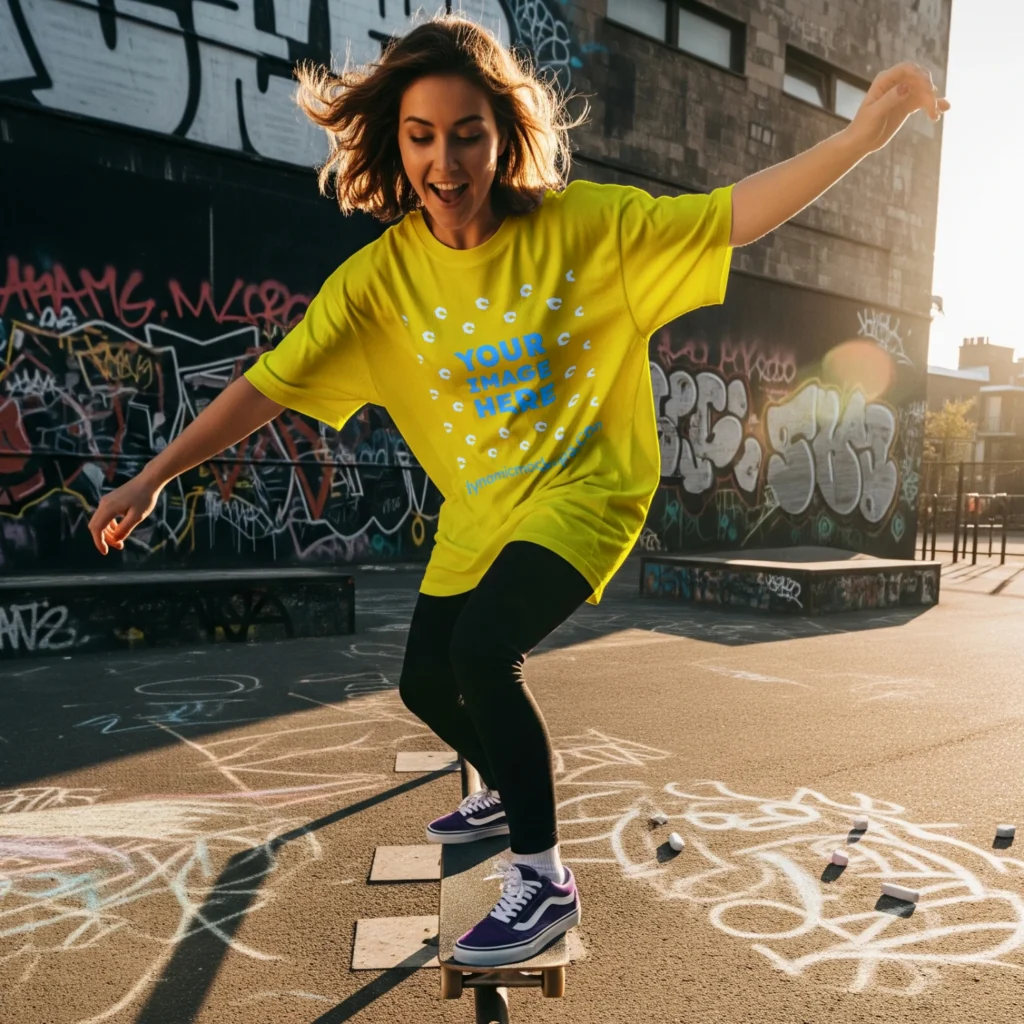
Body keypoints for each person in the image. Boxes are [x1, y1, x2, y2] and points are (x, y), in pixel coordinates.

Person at [88, 15, 948, 968]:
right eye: (422, 137)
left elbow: (730, 213)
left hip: (589, 492)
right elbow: (265, 383)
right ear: (395, 141)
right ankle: (509, 777)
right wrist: (151, 475)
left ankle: (543, 881)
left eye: (468, 135)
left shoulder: (586, 231)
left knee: (482, 647)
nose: (445, 163)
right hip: (482, 514)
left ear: (504, 138)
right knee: (426, 679)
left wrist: (861, 138)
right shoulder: (380, 282)